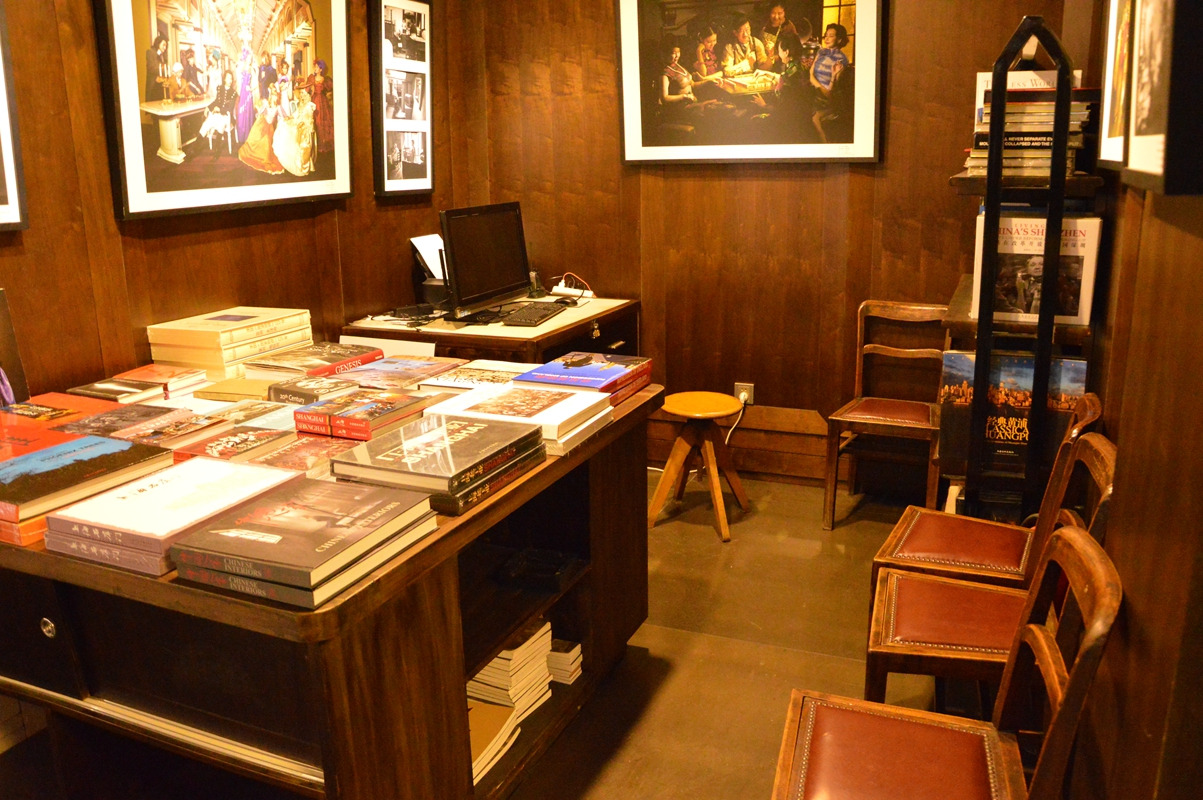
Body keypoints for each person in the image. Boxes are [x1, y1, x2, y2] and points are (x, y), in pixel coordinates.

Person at [809, 23, 851, 141]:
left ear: (839, 39)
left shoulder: (842, 59)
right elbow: (811, 73)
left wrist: (821, 89)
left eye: (831, 36)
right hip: (815, 91)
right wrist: (818, 86)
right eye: (826, 35)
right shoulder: (821, 52)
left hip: (828, 96)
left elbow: (834, 86)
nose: (826, 38)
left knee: (814, 117)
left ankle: (825, 143)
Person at [239, 85, 285, 174]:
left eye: (275, 96)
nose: (273, 97)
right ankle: (257, 154)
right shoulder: (266, 103)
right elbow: (260, 112)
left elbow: (285, 116)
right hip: (262, 125)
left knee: (268, 141)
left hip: (269, 128)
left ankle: (266, 158)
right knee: (262, 140)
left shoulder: (278, 107)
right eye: (272, 95)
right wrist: (262, 107)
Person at [273, 88, 316, 176]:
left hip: (305, 131)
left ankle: (303, 168)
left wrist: (299, 125)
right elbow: (296, 114)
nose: (302, 95)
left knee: (302, 147)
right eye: (301, 93)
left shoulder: (309, 106)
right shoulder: (302, 104)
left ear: (308, 94)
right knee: (283, 125)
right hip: (299, 126)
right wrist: (290, 117)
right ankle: (292, 161)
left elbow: (309, 122)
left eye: (303, 93)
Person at [297, 59, 334, 153]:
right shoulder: (312, 78)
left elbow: (330, 89)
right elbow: (306, 87)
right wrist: (299, 86)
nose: (315, 68)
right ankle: (314, 143)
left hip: (323, 101)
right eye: (315, 66)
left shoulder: (325, 80)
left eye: (317, 67)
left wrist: (329, 96)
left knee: (323, 121)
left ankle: (323, 143)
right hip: (314, 100)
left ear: (321, 69)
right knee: (315, 120)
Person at [198, 69, 238, 146]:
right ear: (224, 79)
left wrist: (219, 110)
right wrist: (208, 107)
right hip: (218, 114)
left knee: (221, 123)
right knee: (207, 123)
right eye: (228, 78)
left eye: (231, 78)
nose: (230, 80)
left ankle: (217, 148)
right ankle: (195, 148)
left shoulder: (233, 93)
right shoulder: (220, 88)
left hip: (227, 116)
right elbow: (216, 101)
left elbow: (230, 109)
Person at [760, 4, 798, 71]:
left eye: (780, 13)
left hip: (781, 66)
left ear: (784, 13)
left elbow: (793, 51)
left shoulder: (788, 27)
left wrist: (775, 57)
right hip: (764, 63)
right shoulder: (765, 24)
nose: (776, 17)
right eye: (773, 13)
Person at [691, 25, 725, 99]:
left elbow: (722, 72)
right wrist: (699, 51)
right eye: (709, 42)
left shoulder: (717, 49)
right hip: (704, 87)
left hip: (718, 81)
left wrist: (705, 78)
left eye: (714, 40)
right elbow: (703, 73)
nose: (712, 44)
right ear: (701, 39)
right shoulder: (695, 53)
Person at [235, 48, 257, 142]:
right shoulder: (242, 67)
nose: (249, 60)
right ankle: (242, 135)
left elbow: (256, 84)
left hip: (248, 94)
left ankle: (248, 136)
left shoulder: (252, 69)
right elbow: (237, 79)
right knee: (241, 114)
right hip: (242, 92)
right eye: (248, 58)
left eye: (251, 58)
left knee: (248, 113)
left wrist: (250, 89)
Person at [144, 35, 169, 102]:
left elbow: (165, 69)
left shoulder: (163, 56)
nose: (165, 47)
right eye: (163, 45)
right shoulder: (150, 52)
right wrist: (160, 71)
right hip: (153, 86)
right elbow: (151, 68)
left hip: (162, 86)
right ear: (158, 43)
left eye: (166, 46)